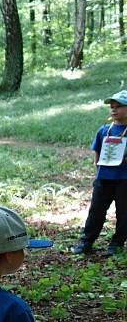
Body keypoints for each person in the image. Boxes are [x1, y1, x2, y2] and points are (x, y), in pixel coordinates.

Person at [70, 90, 127, 257]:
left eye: (119, 107)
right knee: (96, 211)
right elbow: (97, 150)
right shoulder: (104, 130)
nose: (114, 110)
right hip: (104, 178)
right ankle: (86, 242)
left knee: (124, 213)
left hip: (124, 180)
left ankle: (116, 244)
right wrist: (97, 169)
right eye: (112, 107)